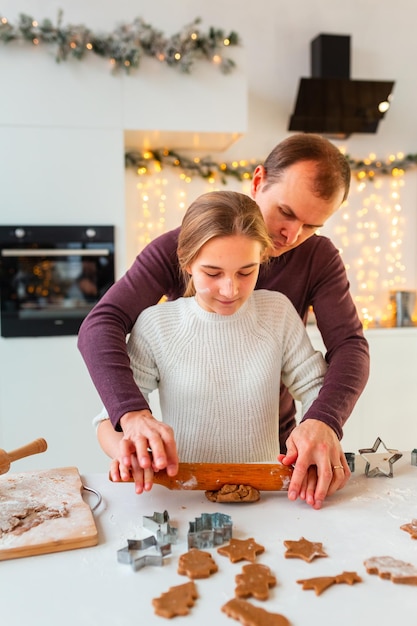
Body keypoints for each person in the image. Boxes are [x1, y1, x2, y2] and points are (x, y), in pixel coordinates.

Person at [78, 133, 369, 510]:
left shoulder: (310, 267)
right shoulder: (182, 247)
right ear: (259, 180)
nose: (293, 235)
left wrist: (324, 421)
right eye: (287, 212)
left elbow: (349, 347)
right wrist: (132, 418)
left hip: (275, 452)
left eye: (312, 226)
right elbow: (102, 323)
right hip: (186, 469)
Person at [94, 190, 339, 500]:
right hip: (184, 495)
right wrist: (125, 449)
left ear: (262, 258)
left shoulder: (277, 312)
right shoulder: (156, 324)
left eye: (246, 271)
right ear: (187, 262)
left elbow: (317, 386)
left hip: (264, 492)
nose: (230, 289)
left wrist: (315, 431)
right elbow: (108, 421)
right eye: (213, 273)